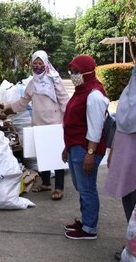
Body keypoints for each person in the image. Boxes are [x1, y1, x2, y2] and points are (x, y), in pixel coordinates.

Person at [3, 50, 70, 200]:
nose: (38, 66)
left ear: (46, 64)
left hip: (55, 125)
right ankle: (46, 183)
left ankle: (59, 188)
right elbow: (23, 102)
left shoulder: (55, 81)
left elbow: (64, 100)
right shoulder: (32, 84)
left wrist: (67, 120)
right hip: (38, 125)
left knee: (56, 157)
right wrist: (8, 108)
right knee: (43, 156)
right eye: (35, 64)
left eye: (40, 64)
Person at [62, 54, 109, 240]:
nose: (73, 75)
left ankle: (90, 228)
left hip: (86, 149)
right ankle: (86, 220)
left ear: (88, 72)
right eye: (72, 71)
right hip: (76, 146)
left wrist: (90, 153)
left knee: (87, 188)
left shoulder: (94, 95)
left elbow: (96, 128)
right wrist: (67, 147)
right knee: (81, 186)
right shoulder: (81, 90)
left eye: (77, 71)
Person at [105, 66, 136, 260]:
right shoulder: (129, 95)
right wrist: (113, 150)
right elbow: (121, 125)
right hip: (126, 158)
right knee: (128, 199)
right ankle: (131, 244)